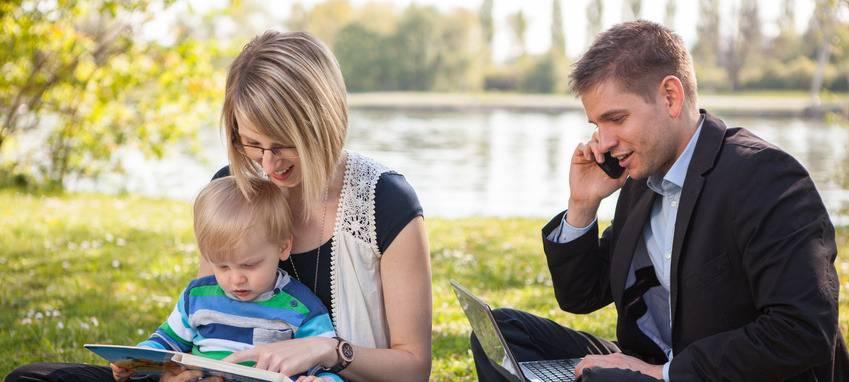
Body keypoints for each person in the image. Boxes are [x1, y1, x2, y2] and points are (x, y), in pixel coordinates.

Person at [7, 30, 432, 382]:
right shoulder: (232, 187)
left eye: (284, 145)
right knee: (34, 378)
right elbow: (207, 310)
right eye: (253, 144)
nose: (267, 164)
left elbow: (414, 367)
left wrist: (326, 350)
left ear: (325, 123)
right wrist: (180, 368)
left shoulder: (384, 202)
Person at [470, 20, 848, 382]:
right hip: (653, 363)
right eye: (597, 126)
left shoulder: (765, 177)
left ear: (670, 96)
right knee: (504, 335)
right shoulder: (641, 180)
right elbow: (581, 295)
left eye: (615, 119)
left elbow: (803, 330)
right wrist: (582, 204)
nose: (603, 142)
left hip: (719, 375)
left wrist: (661, 375)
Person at [110, 176, 342, 382]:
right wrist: (135, 359)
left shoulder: (302, 307)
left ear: (283, 246)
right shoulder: (198, 297)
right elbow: (166, 341)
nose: (236, 279)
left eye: (249, 265)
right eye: (222, 266)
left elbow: (324, 365)